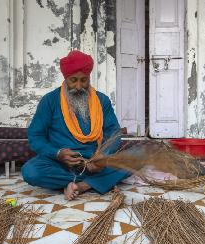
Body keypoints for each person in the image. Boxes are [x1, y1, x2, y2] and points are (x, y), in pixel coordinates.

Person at [22, 50, 129, 200]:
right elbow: (36, 136)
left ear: (89, 78)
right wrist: (57, 153)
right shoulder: (50, 101)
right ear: (66, 78)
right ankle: (95, 182)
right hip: (60, 164)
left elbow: (114, 132)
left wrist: (103, 155)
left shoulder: (102, 100)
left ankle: (82, 185)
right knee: (31, 171)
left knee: (137, 157)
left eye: (83, 80)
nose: (79, 86)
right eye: (73, 80)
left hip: (95, 163)